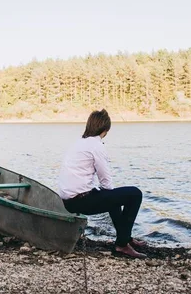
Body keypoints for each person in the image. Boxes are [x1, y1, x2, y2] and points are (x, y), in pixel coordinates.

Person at [58, 109, 147, 259]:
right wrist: (113, 196)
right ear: (105, 129)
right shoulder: (96, 146)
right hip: (81, 201)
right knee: (135, 194)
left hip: (68, 201)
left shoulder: (79, 143)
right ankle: (122, 244)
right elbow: (106, 181)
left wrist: (112, 197)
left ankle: (125, 237)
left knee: (113, 198)